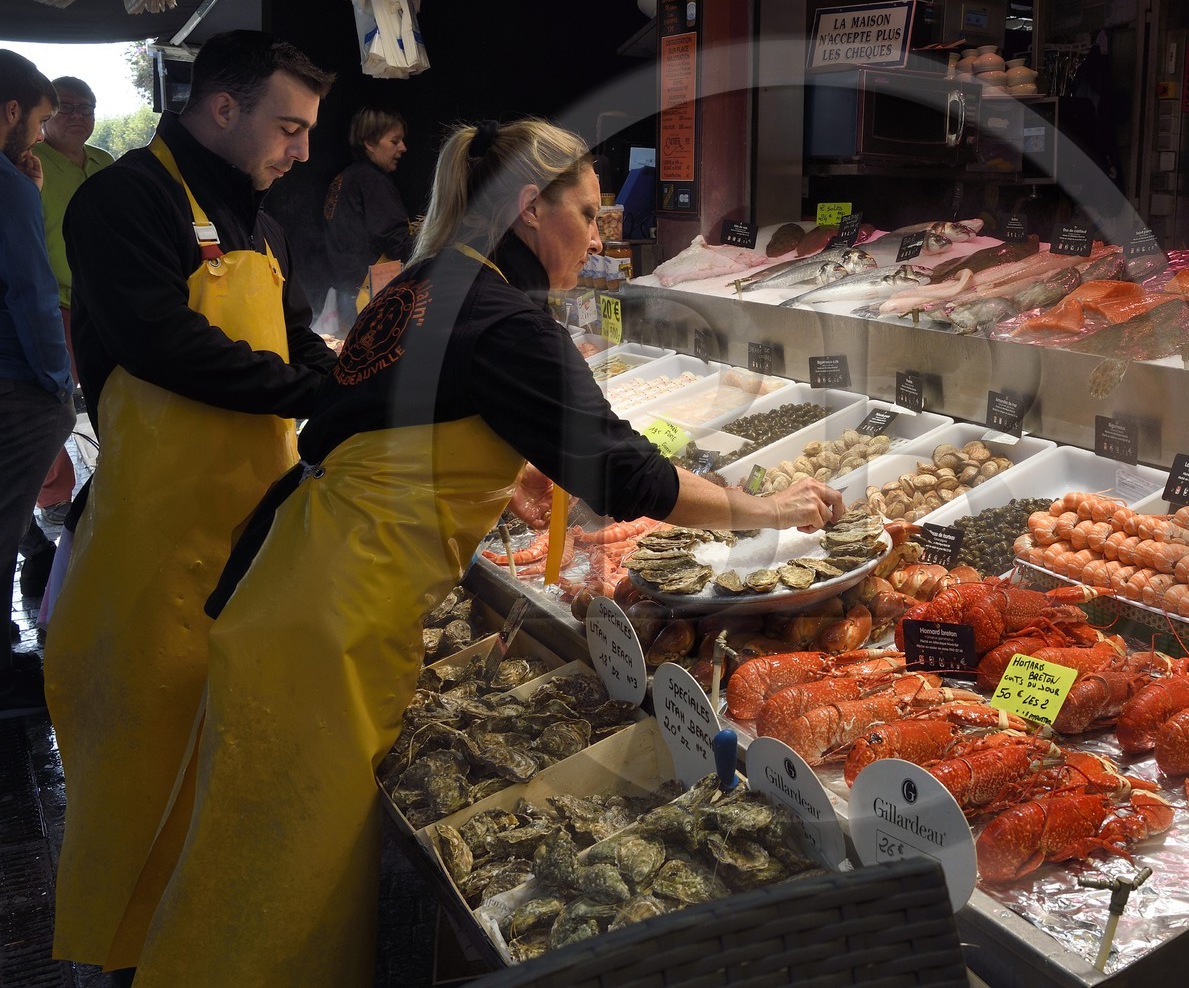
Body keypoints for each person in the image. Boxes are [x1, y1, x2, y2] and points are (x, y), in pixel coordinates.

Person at [132, 117, 845, 987]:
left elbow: (373, 418)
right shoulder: (506, 316)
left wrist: (493, 474)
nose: (598, 233)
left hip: (298, 583)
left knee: (252, 857)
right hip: (329, 620)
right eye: (586, 213)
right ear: (530, 209)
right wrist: (762, 507)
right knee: (277, 889)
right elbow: (626, 476)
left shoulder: (425, 280)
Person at [45, 30, 337, 975]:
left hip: (255, 538)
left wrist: (366, 385)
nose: (299, 152)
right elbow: (163, 343)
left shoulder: (262, 221)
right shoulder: (123, 200)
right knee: (137, 765)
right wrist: (320, 394)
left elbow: (297, 343)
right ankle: (122, 958)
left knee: (229, 767)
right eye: (288, 128)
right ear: (221, 107)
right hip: (152, 545)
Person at [0, 52, 73, 716]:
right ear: (13, 112)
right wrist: (59, 386)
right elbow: (31, 292)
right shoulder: (9, 186)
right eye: (41, 121)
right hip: (15, 383)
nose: (41, 137)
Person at [23, 76, 113, 591]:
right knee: (54, 401)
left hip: (103, 300)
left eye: (89, 107)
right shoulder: (31, 167)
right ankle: (53, 499)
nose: (80, 115)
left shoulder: (105, 163)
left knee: (107, 391)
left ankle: (113, 478)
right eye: (69, 107)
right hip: (54, 302)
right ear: (47, 115)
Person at [324, 105, 413, 324]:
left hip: (346, 296)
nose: (403, 148)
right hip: (370, 300)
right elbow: (398, 244)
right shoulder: (372, 181)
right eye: (394, 141)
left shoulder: (346, 178)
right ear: (370, 143)